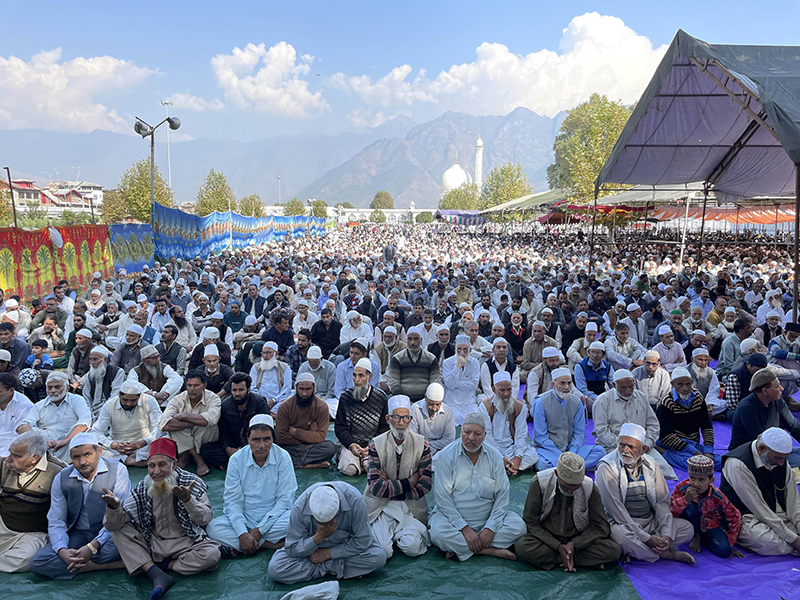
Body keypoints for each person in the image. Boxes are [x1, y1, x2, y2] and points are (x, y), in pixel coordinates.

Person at [102, 437, 221, 599]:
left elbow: (205, 519)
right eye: (151, 465)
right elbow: (113, 525)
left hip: (187, 545)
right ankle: (157, 571)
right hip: (153, 544)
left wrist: (188, 500)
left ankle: (156, 568)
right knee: (119, 531)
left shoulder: (191, 483)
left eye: (162, 464)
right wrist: (113, 508)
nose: (156, 471)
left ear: (174, 464)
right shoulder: (143, 487)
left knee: (211, 555)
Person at [29, 433, 130, 579]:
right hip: (79, 534)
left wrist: (92, 547)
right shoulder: (62, 477)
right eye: (76, 457)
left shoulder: (118, 470)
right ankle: (98, 566)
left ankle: (83, 565)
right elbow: (56, 520)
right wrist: (62, 551)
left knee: (124, 548)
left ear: (99, 451)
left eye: (87, 454)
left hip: (110, 534)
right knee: (38, 562)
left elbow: (120, 519)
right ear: (70, 457)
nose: (82, 462)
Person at [428, 412, 526, 561]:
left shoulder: (494, 457)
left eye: (477, 434)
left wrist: (490, 528)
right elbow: (443, 499)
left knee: (519, 527)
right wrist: (464, 528)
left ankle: (462, 549)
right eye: (467, 432)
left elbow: (502, 495)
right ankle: (490, 550)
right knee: (438, 533)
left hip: (486, 517)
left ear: (485, 435)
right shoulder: (446, 456)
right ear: (461, 432)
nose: (471, 438)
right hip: (454, 520)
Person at [595, 423, 695, 564]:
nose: (625, 450)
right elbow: (616, 511)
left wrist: (665, 534)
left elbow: (662, 501)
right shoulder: (607, 467)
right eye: (622, 445)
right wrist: (646, 539)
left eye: (631, 447)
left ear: (642, 450)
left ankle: (640, 551)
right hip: (622, 523)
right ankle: (664, 553)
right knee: (620, 537)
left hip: (650, 522)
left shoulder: (651, 464)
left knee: (687, 529)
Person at [206, 415, 297, 556]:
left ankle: (247, 544)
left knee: (296, 519)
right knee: (212, 528)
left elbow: (285, 500)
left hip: (275, 516)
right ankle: (269, 545)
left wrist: (260, 530)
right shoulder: (236, 459)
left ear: (273, 439)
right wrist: (242, 533)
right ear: (248, 439)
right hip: (246, 515)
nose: (262, 445)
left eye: (267, 439)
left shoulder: (283, 457)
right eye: (256, 439)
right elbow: (233, 501)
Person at [514, 452, 620, 571]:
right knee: (522, 547)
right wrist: (557, 546)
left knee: (613, 550)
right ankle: (570, 559)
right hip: (547, 540)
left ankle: (562, 558)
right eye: (566, 486)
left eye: (575, 487)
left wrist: (575, 544)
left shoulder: (589, 487)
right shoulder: (540, 483)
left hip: (579, 541)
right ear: (556, 474)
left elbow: (601, 527)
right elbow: (531, 522)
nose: (570, 492)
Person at [267, 482, 386, 584]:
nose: (326, 526)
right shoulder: (300, 507)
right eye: (321, 523)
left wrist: (327, 554)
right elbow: (292, 548)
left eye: (330, 521)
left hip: (342, 550)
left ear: (339, 503)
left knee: (378, 557)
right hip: (312, 553)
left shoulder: (355, 500)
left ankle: (322, 569)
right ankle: (341, 570)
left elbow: (363, 540)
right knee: (276, 568)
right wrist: (318, 537)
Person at [364, 395, 432, 559]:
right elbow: (376, 487)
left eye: (405, 417)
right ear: (388, 418)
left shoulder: (422, 445)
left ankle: (398, 535)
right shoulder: (376, 444)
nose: (401, 423)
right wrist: (409, 482)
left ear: (410, 419)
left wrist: (391, 485)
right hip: (382, 507)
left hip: (411, 507)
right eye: (396, 417)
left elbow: (424, 486)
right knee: (383, 552)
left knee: (413, 548)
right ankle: (391, 536)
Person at [719, 428, 800, 556]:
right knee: (766, 541)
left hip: (775, 511)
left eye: (784, 458)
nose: (781, 463)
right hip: (745, 515)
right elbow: (758, 507)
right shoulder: (737, 464)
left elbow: (794, 502)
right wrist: (794, 539)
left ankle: (789, 543)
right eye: (778, 458)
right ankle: (793, 548)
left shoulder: (781, 460)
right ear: (762, 449)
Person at [592, 370, 676, 480]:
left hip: (641, 447)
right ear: (613, 385)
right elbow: (602, 430)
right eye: (623, 387)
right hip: (613, 447)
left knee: (663, 470)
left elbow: (653, 424)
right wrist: (624, 446)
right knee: (618, 473)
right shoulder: (602, 401)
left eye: (630, 386)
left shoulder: (641, 397)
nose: (628, 391)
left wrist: (646, 444)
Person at [0, 431, 65, 573]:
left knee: (24, 559)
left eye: (16, 456)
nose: (8, 459)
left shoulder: (58, 472)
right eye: (10, 453)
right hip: (4, 525)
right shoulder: (3, 465)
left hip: (34, 533)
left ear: (34, 458)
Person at [669, 455, 743, 559]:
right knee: (690, 508)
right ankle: (696, 535)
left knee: (725, 551)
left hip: (709, 525)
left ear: (711, 480)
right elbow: (670, 511)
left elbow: (735, 516)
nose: (695, 483)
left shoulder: (717, 496)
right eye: (692, 478)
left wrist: (730, 542)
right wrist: (685, 499)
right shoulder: (682, 488)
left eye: (701, 480)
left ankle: (704, 540)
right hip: (688, 523)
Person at [531, 367, 604, 470]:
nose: (567, 387)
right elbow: (540, 437)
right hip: (549, 450)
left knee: (600, 452)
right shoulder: (540, 402)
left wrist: (571, 453)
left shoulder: (576, 402)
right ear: (553, 384)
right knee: (543, 464)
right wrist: (561, 455)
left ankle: (564, 468)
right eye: (562, 383)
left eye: (569, 383)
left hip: (572, 449)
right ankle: (576, 467)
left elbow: (579, 433)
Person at [728, 368, 800, 467]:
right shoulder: (747, 408)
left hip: (772, 448)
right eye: (777, 386)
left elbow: (793, 426)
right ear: (765, 391)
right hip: (751, 453)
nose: (781, 388)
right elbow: (761, 443)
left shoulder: (777, 401)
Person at [198, 372, 270, 470]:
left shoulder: (259, 402)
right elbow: (223, 431)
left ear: (248, 390)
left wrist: (244, 448)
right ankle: (241, 463)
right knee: (205, 449)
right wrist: (227, 448)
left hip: (253, 444)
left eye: (241, 390)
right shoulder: (225, 405)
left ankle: (233, 463)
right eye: (234, 390)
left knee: (265, 448)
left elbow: (265, 429)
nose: (237, 394)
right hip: (233, 445)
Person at [655, 367, 720, 472]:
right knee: (693, 464)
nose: (685, 388)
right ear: (672, 384)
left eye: (687, 384)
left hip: (693, 443)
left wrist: (708, 450)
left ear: (691, 382)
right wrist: (694, 452)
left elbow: (706, 425)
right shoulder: (666, 403)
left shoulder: (698, 398)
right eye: (680, 384)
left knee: (715, 462)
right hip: (674, 444)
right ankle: (664, 452)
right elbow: (666, 435)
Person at [17, 371, 91, 462]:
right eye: (50, 387)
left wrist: (65, 440)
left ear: (67, 388)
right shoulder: (39, 406)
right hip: (47, 447)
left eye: (57, 387)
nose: (52, 390)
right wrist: (41, 440)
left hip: (70, 445)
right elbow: (22, 426)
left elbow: (85, 421)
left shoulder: (77, 400)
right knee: (31, 432)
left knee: (80, 432)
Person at [160, 371, 221, 477]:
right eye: (189, 385)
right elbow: (164, 424)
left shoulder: (213, 398)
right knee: (175, 427)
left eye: (196, 385)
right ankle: (198, 458)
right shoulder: (178, 399)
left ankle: (187, 455)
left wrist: (184, 416)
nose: (192, 389)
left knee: (206, 425)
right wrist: (193, 422)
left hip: (205, 440)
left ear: (204, 386)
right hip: (186, 435)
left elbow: (211, 419)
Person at [334, 358, 389, 476]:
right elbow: (340, 427)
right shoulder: (345, 398)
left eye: (361, 376)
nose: (356, 380)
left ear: (370, 377)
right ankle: (350, 459)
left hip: (372, 445)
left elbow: (384, 428)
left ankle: (363, 461)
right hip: (351, 445)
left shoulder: (381, 398)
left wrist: (371, 446)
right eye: (354, 375)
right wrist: (351, 445)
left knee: (372, 469)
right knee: (349, 469)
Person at [478, 371, 539, 475]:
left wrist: (518, 457)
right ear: (494, 390)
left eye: (509, 389)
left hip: (511, 449)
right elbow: (486, 437)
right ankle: (509, 468)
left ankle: (506, 468)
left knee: (533, 455)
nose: (506, 394)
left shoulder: (519, 407)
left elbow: (521, 434)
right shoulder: (485, 407)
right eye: (502, 390)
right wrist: (500, 457)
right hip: (490, 448)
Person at [275, 373, 337, 469]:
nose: (304, 393)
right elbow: (281, 437)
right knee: (275, 451)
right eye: (301, 389)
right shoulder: (285, 406)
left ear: (314, 388)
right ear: (296, 387)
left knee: (330, 448)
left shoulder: (321, 407)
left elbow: (321, 437)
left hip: (309, 447)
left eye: (308, 389)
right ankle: (309, 465)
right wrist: (310, 434)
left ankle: (296, 463)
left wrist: (295, 431)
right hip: (290, 447)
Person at [386, 326, 439, 401]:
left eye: (416, 339)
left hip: (425, 402)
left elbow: (435, 382)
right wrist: (404, 400)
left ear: (421, 340)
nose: (412, 342)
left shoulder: (431, 358)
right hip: (402, 401)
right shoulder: (397, 358)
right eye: (410, 339)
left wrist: (427, 399)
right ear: (406, 340)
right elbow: (394, 384)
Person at [408, 382, 456, 464]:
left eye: (438, 404)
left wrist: (430, 447)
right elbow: (413, 437)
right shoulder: (415, 409)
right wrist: (434, 449)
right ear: (425, 397)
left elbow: (449, 439)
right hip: (419, 449)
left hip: (439, 450)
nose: (434, 408)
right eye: (431, 404)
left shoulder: (448, 412)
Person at [442, 334, 481, 426]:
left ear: (470, 350)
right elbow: (450, 385)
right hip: (452, 402)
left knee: (475, 419)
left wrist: (455, 384)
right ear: (455, 349)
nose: (462, 353)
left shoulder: (475, 363)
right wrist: (457, 367)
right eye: (459, 349)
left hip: (469, 403)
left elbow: (474, 385)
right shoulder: (447, 363)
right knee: (452, 419)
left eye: (465, 350)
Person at [249, 341, 293, 415]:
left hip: (278, 401)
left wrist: (274, 400)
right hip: (259, 401)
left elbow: (286, 388)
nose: (265, 355)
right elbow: (252, 388)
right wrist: (262, 401)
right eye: (263, 353)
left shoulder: (285, 368)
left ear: (276, 353)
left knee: (293, 393)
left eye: (269, 353)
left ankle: (271, 412)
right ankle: (272, 414)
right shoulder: (256, 367)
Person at [82, 346, 125, 420]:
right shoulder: (90, 374)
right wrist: (88, 412)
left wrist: (103, 412)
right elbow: (86, 396)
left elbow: (115, 396)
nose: (92, 362)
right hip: (91, 410)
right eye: (90, 359)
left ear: (105, 359)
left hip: (109, 409)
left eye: (95, 359)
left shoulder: (117, 372)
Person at [297, 345, 338, 418]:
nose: (312, 366)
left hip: (324, 399)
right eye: (310, 363)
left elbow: (331, 392)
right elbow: (298, 387)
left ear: (321, 358)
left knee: (334, 405)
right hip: (305, 397)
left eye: (315, 363)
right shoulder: (303, 367)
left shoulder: (330, 368)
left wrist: (317, 402)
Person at [574, 341, 614, 413]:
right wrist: (598, 398)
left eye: (598, 353)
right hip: (587, 397)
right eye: (592, 352)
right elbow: (582, 389)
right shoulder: (580, 367)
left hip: (602, 396)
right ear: (588, 353)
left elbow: (613, 385)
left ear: (603, 355)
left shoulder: (608, 367)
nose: (595, 355)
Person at [687, 347, 725, 418]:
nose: (703, 363)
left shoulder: (710, 372)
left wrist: (709, 403)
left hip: (705, 401)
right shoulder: (685, 371)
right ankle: (707, 416)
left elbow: (714, 390)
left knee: (725, 404)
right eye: (700, 360)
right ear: (692, 359)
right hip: (689, 401)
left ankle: (702, 415)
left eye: (706, 360)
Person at [0, 373, 33, 455]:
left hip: (12, 450)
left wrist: (5, 455)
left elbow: (20, 436)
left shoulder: (24, 404)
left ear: (11, 391)